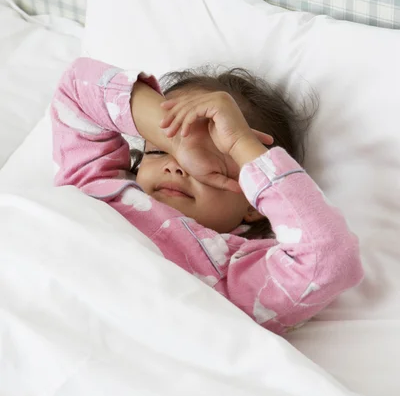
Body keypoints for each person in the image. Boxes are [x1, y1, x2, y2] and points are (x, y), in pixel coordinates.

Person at [51, 57, 363, 335]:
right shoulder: (96, 181)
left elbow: (330, 258)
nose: (177, 166)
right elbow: (76, 87)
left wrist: (240, 142)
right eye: (159, 150)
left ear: (255, 204)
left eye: (211, 162)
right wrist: (174, 139)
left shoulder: (235, 272)